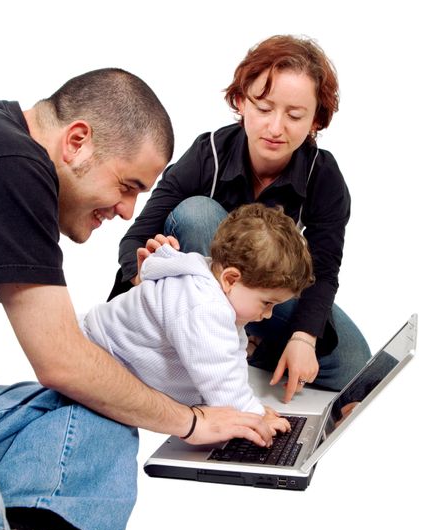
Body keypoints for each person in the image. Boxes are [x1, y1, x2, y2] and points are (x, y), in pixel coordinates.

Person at [0, 69, 273, 530]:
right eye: (127, 185)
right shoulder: (13, 164)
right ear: (77, 142)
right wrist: (193, 421)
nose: (125, 211)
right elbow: (62, 360)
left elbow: (76, 371)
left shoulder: (4, 145)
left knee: (105, 404)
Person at [109, 34, 372, 403]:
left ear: (316, 120)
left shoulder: (324, 175)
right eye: (264, 109)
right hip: (202, 295)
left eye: (295, 115)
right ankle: (205, 347)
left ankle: (247, 346)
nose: (276, 127)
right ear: (240, 101)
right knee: (198, 214)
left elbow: (324, 270)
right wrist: (141, 274)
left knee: (354, 364)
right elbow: (135, 237)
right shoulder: (207, 154)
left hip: (262, 299)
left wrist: (303, 338)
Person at [80, 204, 314, 431]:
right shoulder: (204, 304)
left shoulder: (215, 290)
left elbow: (231, 358)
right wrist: (250, 414)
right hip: (92, 356)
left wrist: (248, 405)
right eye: (267, 303)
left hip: (108, 356)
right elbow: (218, 375)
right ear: (231, 279)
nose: (268, 314)